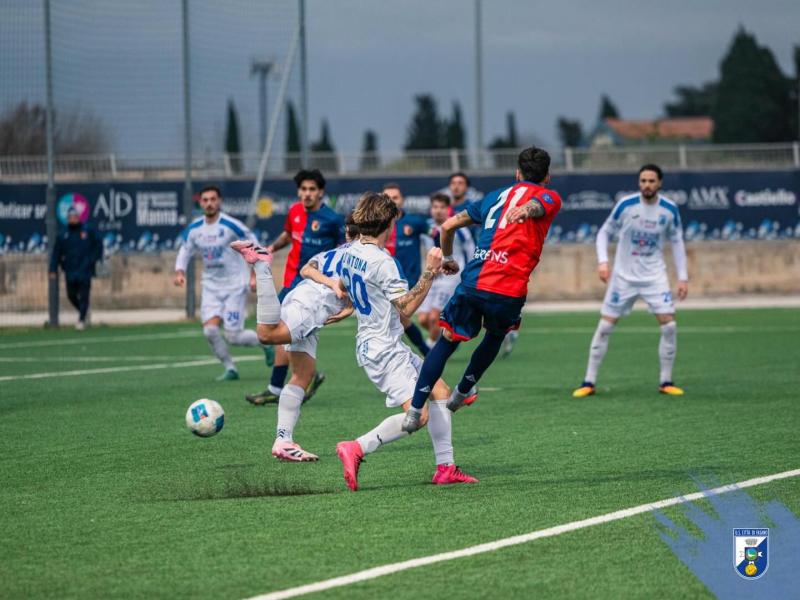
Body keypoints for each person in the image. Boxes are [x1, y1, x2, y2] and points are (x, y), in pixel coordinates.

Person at [402, 146, 562, 432]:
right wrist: (525, 210)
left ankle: (414, 410)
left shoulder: (493, 196)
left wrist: (447, 258)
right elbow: (539, 205)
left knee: (447, 341)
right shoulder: (549, 195)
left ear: (517, 173)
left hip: (473, 282)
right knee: (496, 334)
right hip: (508, 289)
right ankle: (462, 392)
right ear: (547, 176)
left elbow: (447, 226)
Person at [335, 192, 477, 491]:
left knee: (439, 390)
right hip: (383, 351)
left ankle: (446, 468)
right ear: (388, 223)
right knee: (418, 415)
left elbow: (347, 286)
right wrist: (430, 270)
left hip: (381, 343)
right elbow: (406, 308)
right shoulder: (383, 261)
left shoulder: (349, 251)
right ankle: (357, 447)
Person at [230, 218, 357, 461]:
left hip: (304, 299)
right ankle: (262, 264)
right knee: (267, 334)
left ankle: (283, 441)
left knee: (303, 373)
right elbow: (352, 282)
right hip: (311, 307)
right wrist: (342, 295)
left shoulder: (337, 251)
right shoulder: (366, 255)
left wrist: (346, 300)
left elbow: (306, 269)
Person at [572, 164, 688, 398]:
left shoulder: (669, 210)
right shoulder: (626, 205)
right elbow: (603, 232)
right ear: (639, 183)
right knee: (605, 326)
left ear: (660, 183)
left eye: (651, 181)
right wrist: (603, 262)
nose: (647, 185)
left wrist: (683, 277)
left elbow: (677, 242)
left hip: (655, 276)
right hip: (623, 277)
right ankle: (588, 382)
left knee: (670, 326)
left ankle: (666, 381)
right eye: (643, 181)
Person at [245, 169, 344, 405]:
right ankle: (298, 378)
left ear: (321, 192)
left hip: (314, 287)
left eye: (312, 190)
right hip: (292, 280)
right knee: (284, 332)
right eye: (303, 189)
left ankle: (283, 384)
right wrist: (269, 250)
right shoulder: (295, 212)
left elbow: (343, 251)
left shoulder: (333, 219)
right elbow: (289, 235)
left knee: (284, 332)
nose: (307, 194)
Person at [174, 185, 266, 381]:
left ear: (219, 201)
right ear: (200, 203)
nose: (209, 203)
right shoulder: (194, 229)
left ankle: (266, 343)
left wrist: (253, 274)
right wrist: (179, 271)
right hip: (211, 286)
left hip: (235, 284)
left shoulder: (231, 225)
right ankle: (230, 368)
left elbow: (253, 244)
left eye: (213, 199)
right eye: (205, 200)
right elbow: (185, 250)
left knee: (233, 336)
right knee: (210, 330)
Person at [381, 182, 431, 357]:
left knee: (399, 318)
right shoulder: (376, 225)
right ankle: (424, 351)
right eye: (387, 198)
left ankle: (422, 351)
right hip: (382, 280)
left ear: (402, 200)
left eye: (395, 198)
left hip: (407, 279)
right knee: (399, 319)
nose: (391, 201)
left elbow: (436, 233)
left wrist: (442, 254)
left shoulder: (414, 222)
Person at [418, 193, 474, 343]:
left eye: (442, 207)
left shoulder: (458, 227)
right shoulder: (425, 228)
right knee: (423, 319)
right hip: (433, 277)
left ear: (448, 209)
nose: (438, 210)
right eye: (435, 207)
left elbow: (470, 251)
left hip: (451, 278)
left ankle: (430, 350)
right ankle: (450, 338)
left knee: (434, 317)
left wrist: (468, 274)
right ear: (431, 209)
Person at [48, 207, 103, 330]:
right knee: (71, 295)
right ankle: (83, 312)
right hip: (70, 270)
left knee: (84, 295)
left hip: (85, 270)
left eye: (75, 216)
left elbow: (98, 245)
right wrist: (52, 269)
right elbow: (56, 253)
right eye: (71, 217)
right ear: (68, 218)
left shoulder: (87, 231)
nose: (73, 219)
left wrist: (93, 260)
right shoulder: (63, 235)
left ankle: (81, 320)